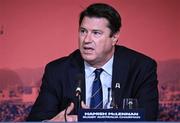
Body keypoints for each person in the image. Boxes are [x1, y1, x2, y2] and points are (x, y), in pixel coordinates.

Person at [27, 3, 159, 121]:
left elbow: (147, 118)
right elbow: (36, 119)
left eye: (96, 33)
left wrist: (94, 118)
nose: (86, 40)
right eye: (83, 31)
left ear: (114, 37)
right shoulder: (58, 71)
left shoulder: (141, 68)